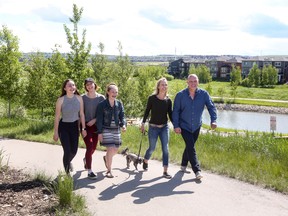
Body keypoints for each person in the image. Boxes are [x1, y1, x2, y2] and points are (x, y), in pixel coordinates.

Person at [172, 74, 217, 179]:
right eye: (191, 81)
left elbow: (211, 107)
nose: (193, 83)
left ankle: (183, 165)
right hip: (184, 126)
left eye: (195, 81)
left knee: (189, 146)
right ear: (187, 82)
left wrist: (213, 120)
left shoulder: (204, 94)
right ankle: (197, 171)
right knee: (191, 147)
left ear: (198, 82)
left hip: (196, 126)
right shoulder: (180, 95)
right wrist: (176, 125)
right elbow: (176, 112)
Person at [141, 77, 173, 179]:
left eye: (165, 85)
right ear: (158, 86)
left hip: (164, 127)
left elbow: (171, 115)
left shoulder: (168, 100)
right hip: (153, 127)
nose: (164, 86)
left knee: (166, 149)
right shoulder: (152, 98)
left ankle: (165, 171)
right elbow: (147, 111)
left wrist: (176, 126)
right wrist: (142, 123)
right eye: (162, 84)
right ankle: (145, 160)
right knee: (152, 148)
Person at [53, 79, 87, 175]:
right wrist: (55, 132)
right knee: (67, 151)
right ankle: (67, 173)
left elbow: (82, 114)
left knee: (74, 151)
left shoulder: (79, 98)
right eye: (69, 86)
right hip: (64, 127)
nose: (72, 87)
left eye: (73, 85)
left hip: (74, 127)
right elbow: (57, 116)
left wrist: (83, 128)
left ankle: (67, 162)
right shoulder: (61, 100)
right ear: (65, 88)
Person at [96, 83, 126, 178]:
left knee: (115, 150)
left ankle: (106, 158)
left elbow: (122, 116)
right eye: (112, 91)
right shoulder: (102, 105)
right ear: (108, 92)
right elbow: (99, 119)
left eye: (116, 92)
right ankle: (109, 170)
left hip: (116, 129)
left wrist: (123, 124)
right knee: (110, 148)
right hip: (106, 129)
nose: (114, 93)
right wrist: (99, 132)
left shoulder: (119, 103)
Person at [82, 78, 105, 179]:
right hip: (85, 125)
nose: (90, 86)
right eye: (87, 85)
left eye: (91, 84)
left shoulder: (101, 98)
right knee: (90, 145)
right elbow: (81, 113)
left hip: (96, 126)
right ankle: (90, 171)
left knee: (94, 147)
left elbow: (103, 113)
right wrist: (83, 128)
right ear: (85, 87)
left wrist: (95, 120)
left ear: (95, 85)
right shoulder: (82, 98)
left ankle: (86, 159)